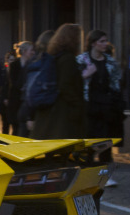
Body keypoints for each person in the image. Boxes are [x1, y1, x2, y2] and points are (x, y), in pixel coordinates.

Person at [77, 29, 123, 186]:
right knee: (89, 142)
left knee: (105, 142)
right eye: (102, 41)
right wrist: (85, 75)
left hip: (106, 105)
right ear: (93, 43)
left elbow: (117, 83)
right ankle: (87, 175)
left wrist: (116, 102)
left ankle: (105, 176)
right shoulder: (81, 60)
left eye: (106, 41)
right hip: (88, 105)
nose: (105, 44)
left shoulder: (110, 62)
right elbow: (74, 82)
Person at [31, 24, 87, 140]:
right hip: (63, 112)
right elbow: (65, 85)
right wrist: (77, 103)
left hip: (51, 110)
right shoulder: (68, 59)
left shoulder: (54, 56)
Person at [5, 41, 34, 136]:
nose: (33, 52)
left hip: (27, 102)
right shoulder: (14, 65)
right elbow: (13, 83)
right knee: (16, 128)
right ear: (25, 51)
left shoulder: (33, 64)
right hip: (15, 101)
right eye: (31, 50)